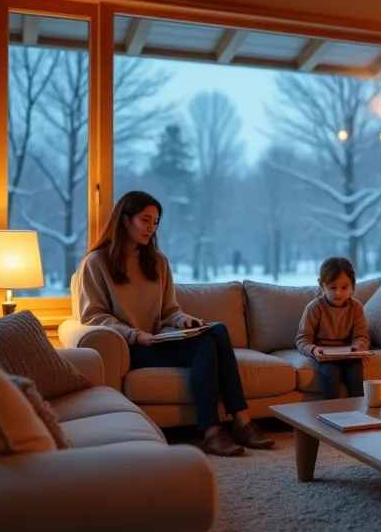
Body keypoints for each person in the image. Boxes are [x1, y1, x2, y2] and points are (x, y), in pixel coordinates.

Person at [77, 190, 274, 457]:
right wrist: (135, 335)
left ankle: (242, 421)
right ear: (125, 220)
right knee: (204, 346)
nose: (151, 227)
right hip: (130, 347)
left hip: (158, 340)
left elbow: (170, 309)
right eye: (145, 220)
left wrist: (184, 320)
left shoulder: (157, 262)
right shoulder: (96, 262)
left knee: (217, 330)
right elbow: (94, 317)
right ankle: (211, 430)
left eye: (155, 222)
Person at [295, 256, 371, 400]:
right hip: (326, 355)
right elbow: (303, 339)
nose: (338, 293)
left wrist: (359, 346)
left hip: (350, 355)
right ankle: (332, 415)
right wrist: (313, 350)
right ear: (322, 285)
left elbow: (362, 336)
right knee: (330, 376)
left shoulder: (356, 308)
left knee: (356, 375)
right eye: (332, 287)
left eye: (344, 287)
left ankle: (360, 415)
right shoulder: (314, 308)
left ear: (352, 287)